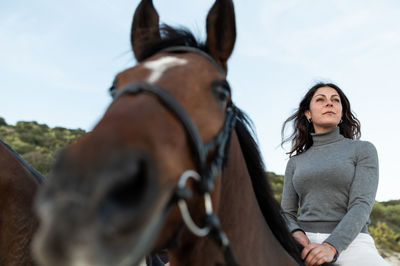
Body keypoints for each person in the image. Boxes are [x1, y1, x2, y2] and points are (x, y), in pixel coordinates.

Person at [280, 82, 389, 266]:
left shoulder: (363, 150)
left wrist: (331, 246)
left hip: (353, 244)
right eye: (320, 100)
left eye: (335, 100)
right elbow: (287, 213)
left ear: (342, 114)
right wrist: (296, 233)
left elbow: (361, 204)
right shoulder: (295, 162)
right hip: (304, 245)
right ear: (308, 113)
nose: (329, 103)